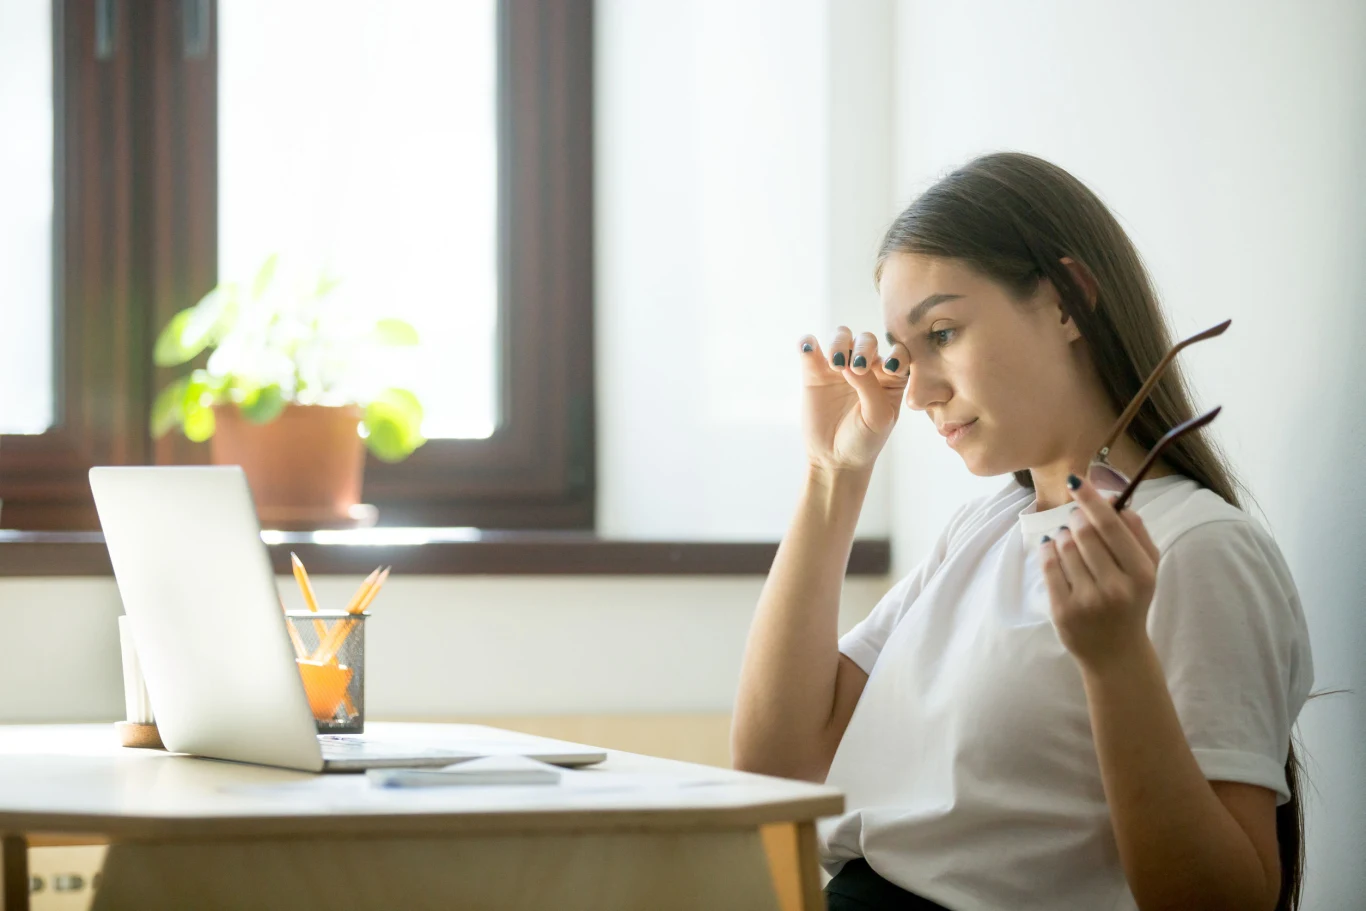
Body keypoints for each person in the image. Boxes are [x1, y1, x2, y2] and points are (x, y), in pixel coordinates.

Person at [731, 152, 1313, 911]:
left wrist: (1114, 662)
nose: (921, 392)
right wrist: (831, 477)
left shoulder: (1197, 548)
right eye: (906, 354)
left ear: (1070, 298)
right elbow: (778, 763)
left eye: (942, 332)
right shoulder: (986, 527)